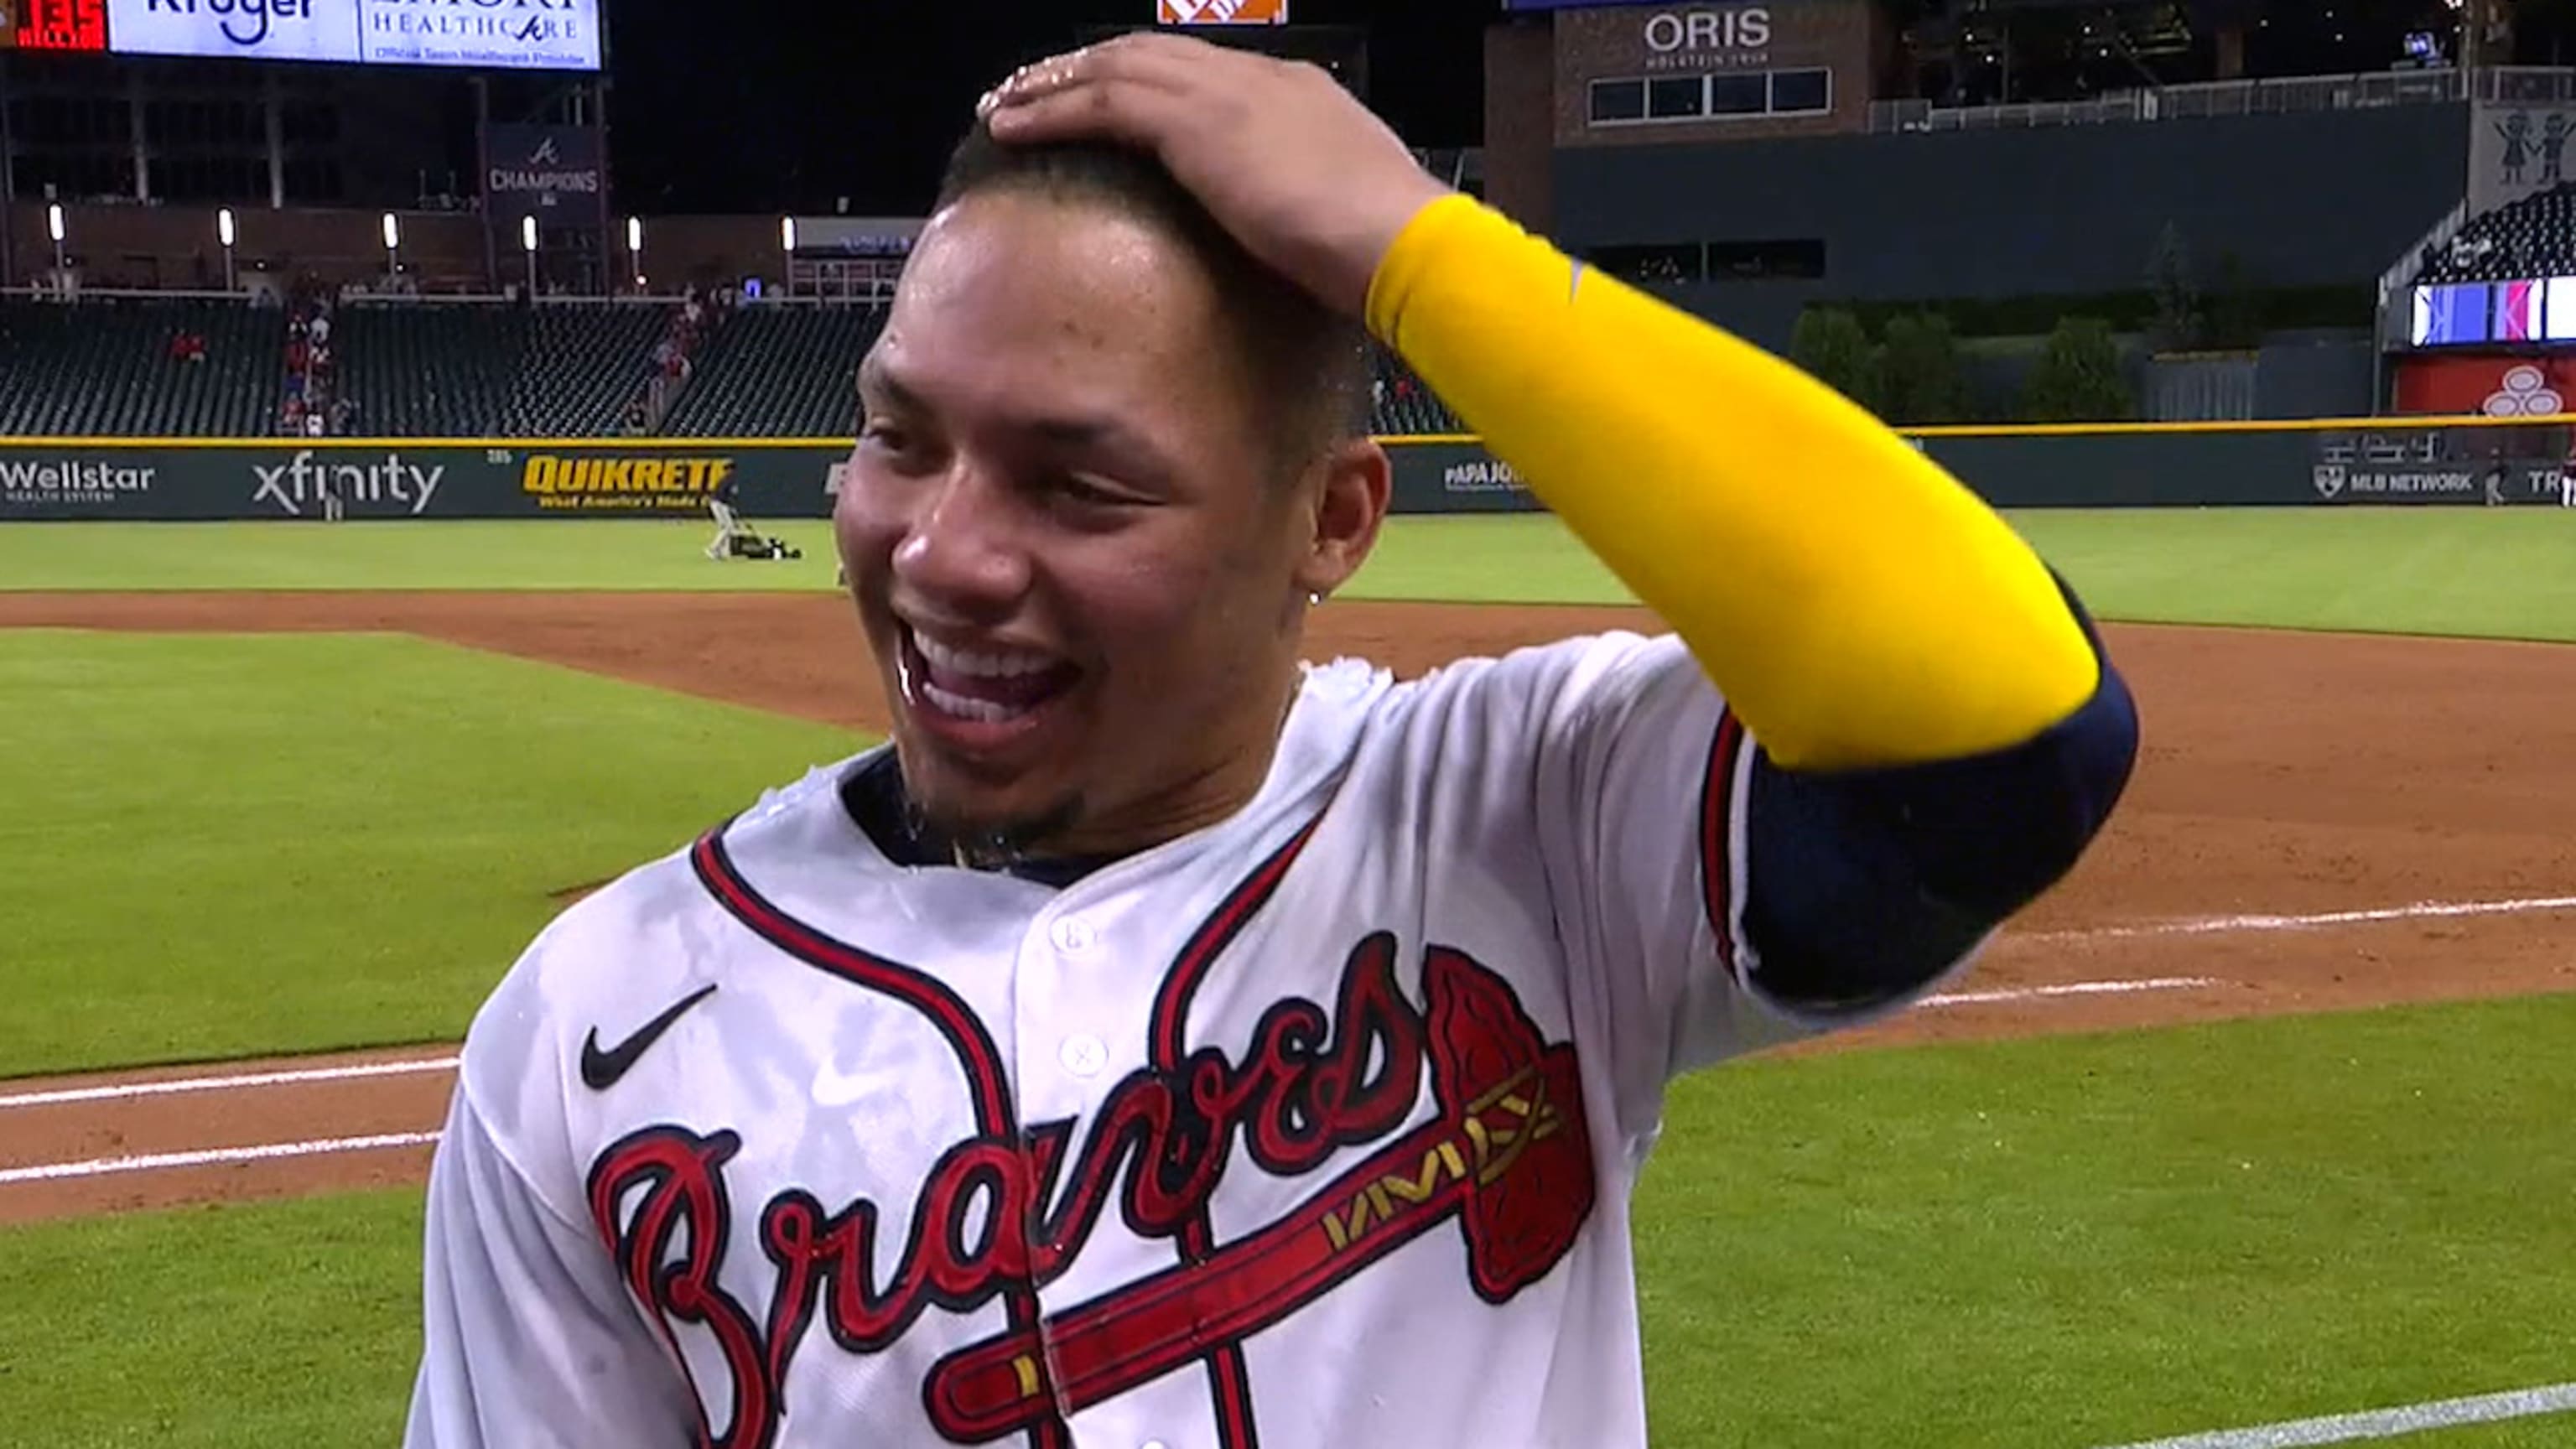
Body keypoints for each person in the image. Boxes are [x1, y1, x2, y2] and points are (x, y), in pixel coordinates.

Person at [404, 34, 2137, 1449]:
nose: (938, 551)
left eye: (1077, 485)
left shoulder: (1519, 811)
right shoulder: (602, 1029)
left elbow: (2008, 730)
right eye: (898, 440)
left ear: (1333, 521)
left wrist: (1414, 244)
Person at [703, 465, 752, 559]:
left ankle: (724, 552)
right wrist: (731, 507)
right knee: (728, 527)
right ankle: (713, 548)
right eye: (730, 470)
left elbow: (728, 496)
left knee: (727, 527)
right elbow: (723, 496)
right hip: (718, 504)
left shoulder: (727, 480)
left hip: (720, 504)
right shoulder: (728, 481)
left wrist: (731, 508)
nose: (731, 472)